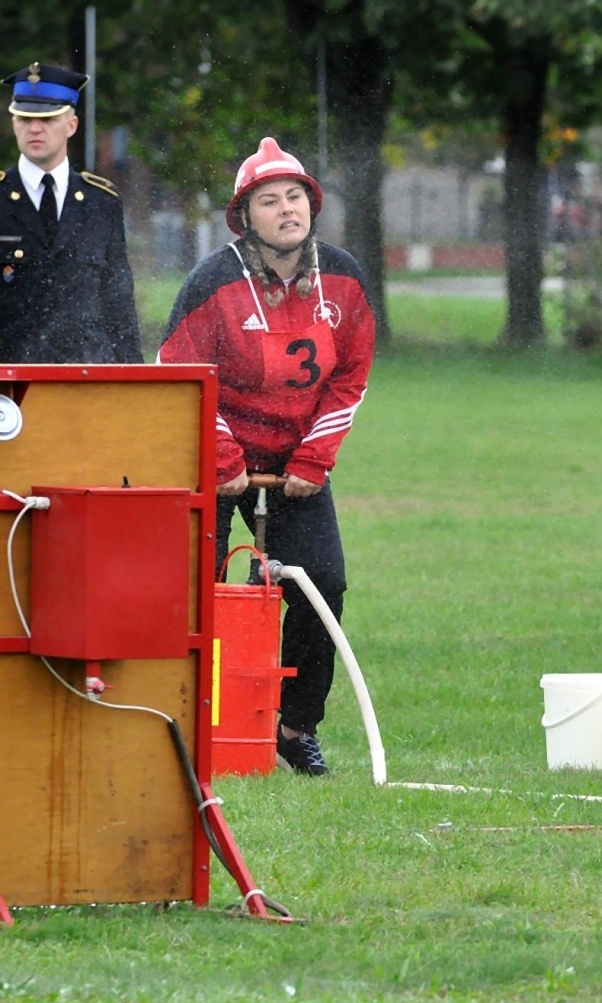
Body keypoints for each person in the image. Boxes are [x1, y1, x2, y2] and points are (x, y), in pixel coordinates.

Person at [158, 136, 375, 776]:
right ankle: (188, 724)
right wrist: (221, 458)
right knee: (195, 591)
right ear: (244, 216)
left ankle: (293, 725)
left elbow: (352, 374)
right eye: (270, 200)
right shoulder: (211, 281)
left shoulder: (345, 277)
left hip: (299, 468)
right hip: (212, 460)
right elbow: (180, 372)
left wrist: (314, 461)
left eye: (296, 198)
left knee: (322, 585)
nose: (287, 210)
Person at [0, 62, 140, 364]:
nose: (35, 128)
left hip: (88, 377)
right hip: (10, 385)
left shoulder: (102, 202)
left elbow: (118, 305)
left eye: (48, 118)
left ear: (71, 125)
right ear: (13, 124)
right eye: (24, 118)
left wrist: (133, 382)